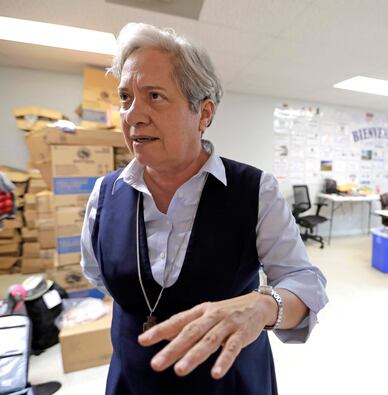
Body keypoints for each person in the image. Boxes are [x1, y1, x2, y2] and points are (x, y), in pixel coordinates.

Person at [80, 23, 328, 394]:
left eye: (155, 96)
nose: (133, 115)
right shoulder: (105, 194)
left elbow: (305, 282)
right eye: (125, 97)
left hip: (230, 382)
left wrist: (264, 306)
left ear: (204, 114)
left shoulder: (254, 190)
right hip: (133, 381)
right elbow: (97, 274)